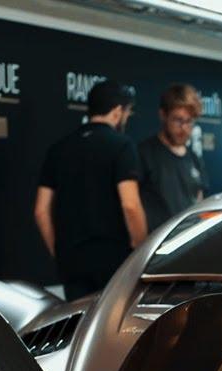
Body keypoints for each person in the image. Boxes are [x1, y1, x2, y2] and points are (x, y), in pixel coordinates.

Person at [34, 79, 147, 301]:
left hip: (72, 261)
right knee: (115, 322)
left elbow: (40, 211)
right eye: (127, 113)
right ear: (117, 111)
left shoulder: (59, 149)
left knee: (80, 321)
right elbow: (130, 205)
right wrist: (142, 252)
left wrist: (60, 253)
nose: (126, 118)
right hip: (115, 263)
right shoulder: (122, 146)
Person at [138, 83, 207, 230]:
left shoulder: (194, 158)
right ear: (163, 115)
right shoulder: (145, 153)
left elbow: (200, 201)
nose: (184, 128)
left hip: (188, 239)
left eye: (189, 121)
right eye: (178, 120)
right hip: (157, 240)